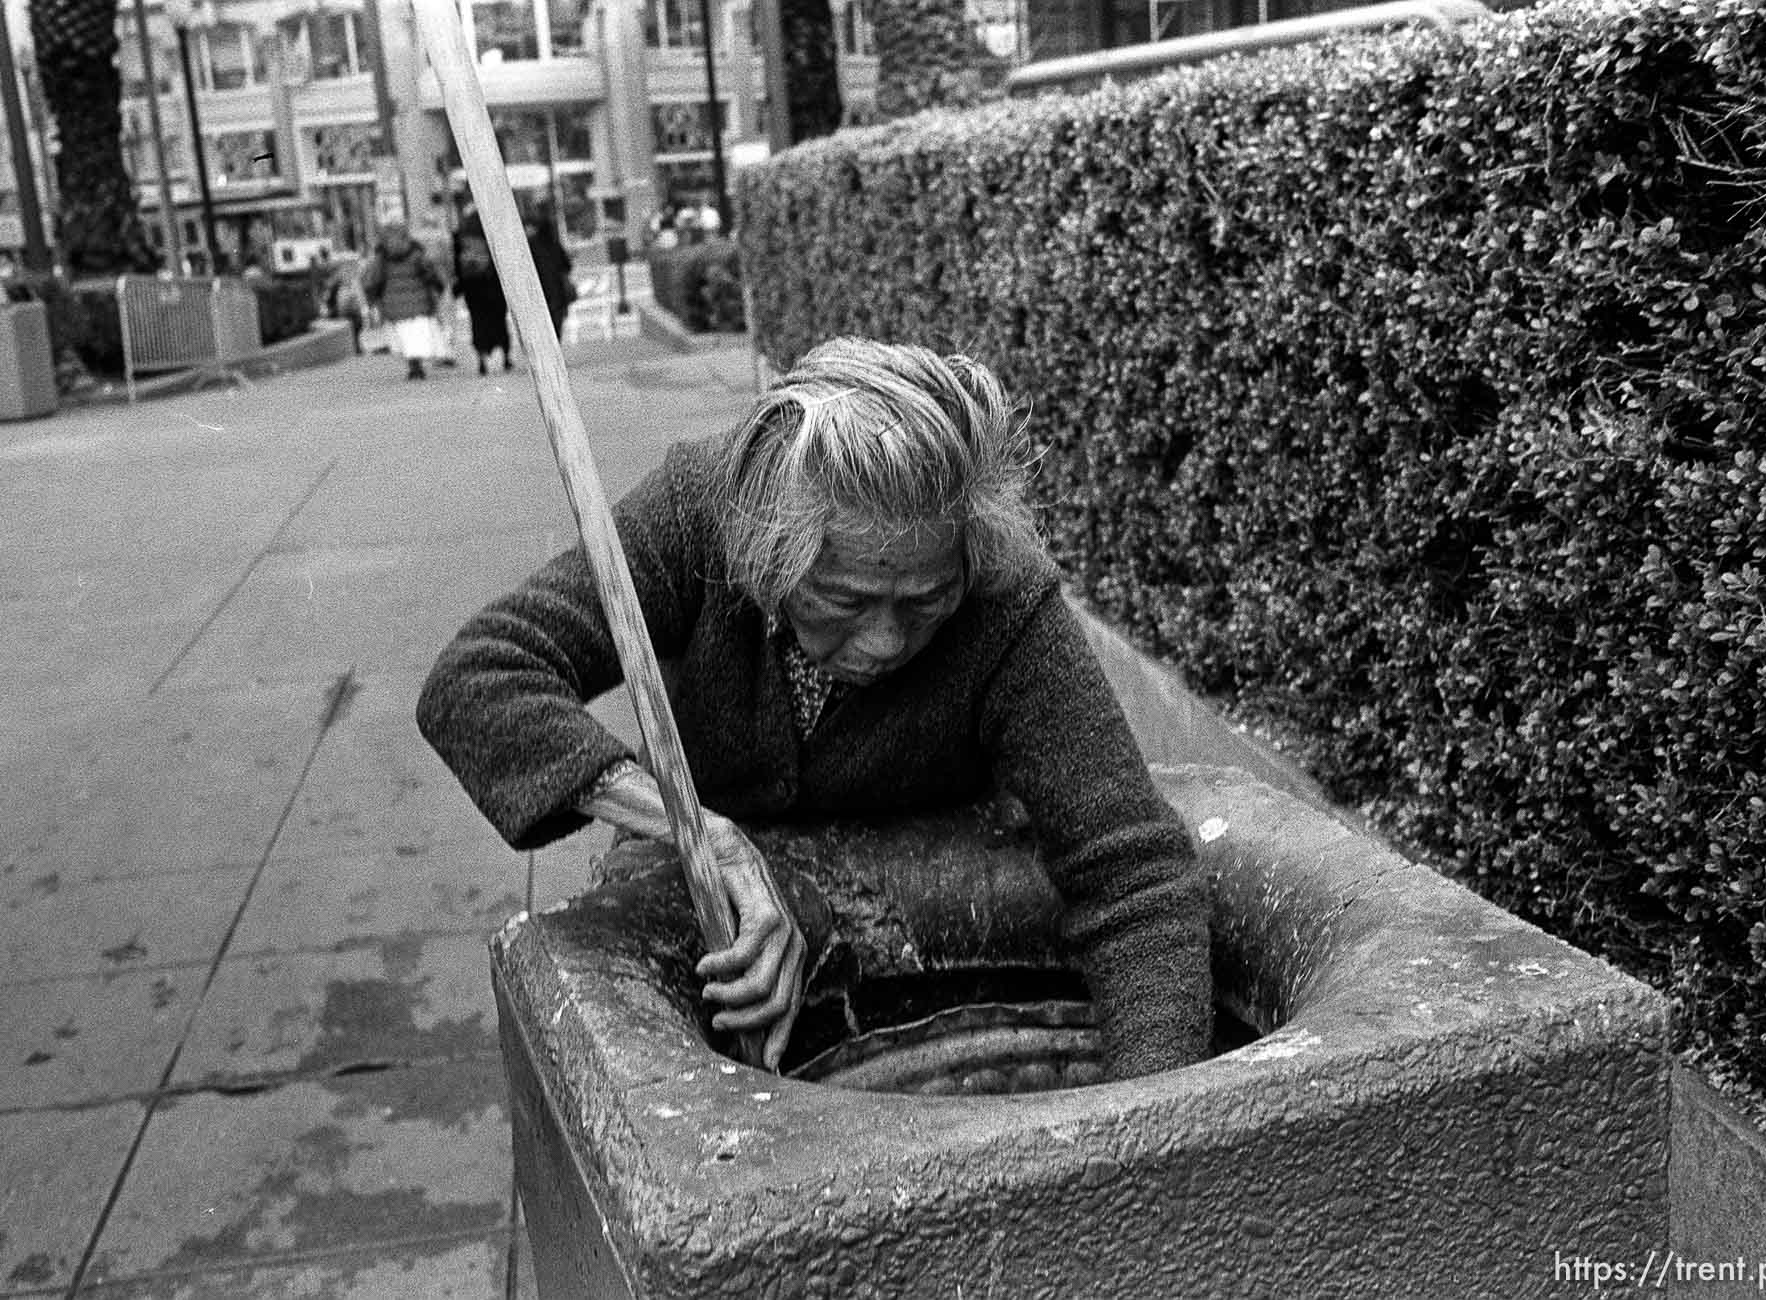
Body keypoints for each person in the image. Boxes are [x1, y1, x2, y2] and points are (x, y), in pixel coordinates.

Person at [417, 338, 1215, 1078]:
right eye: (843, 600)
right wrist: (699, 834)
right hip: (727, 950)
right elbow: (481, 678)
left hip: (934, 965)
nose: (884, 642)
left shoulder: (1005, 596)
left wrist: (1145, 1128)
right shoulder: (700, 514)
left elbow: (1135, 876)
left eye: (926, 599)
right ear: (770, 549)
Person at [362, 222, 445, 380]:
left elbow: (373, 280)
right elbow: (430, 273)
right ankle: (417, 364)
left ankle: (413, 366)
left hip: (393, 304)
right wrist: (437, 287)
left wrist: (373, 298)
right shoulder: (416, 253)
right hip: (418, 301)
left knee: (404, 336)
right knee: (416, 334)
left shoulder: (381, 257)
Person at [452, 200, 513, 374]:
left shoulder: (461, 236)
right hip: (494, 284)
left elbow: (457, 264)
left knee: (477, 321)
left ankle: (481, 359)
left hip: (472, 287)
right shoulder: (494, 232)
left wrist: (460, 285)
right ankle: (506, 357)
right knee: (499, 320)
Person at [524, 204, 578, 341]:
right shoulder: (554, 245)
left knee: (543, 327)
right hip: (557, 293)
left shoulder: (531, 246)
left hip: (539, 292)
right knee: (556, 326)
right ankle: (555, 350)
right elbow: (567, 265)